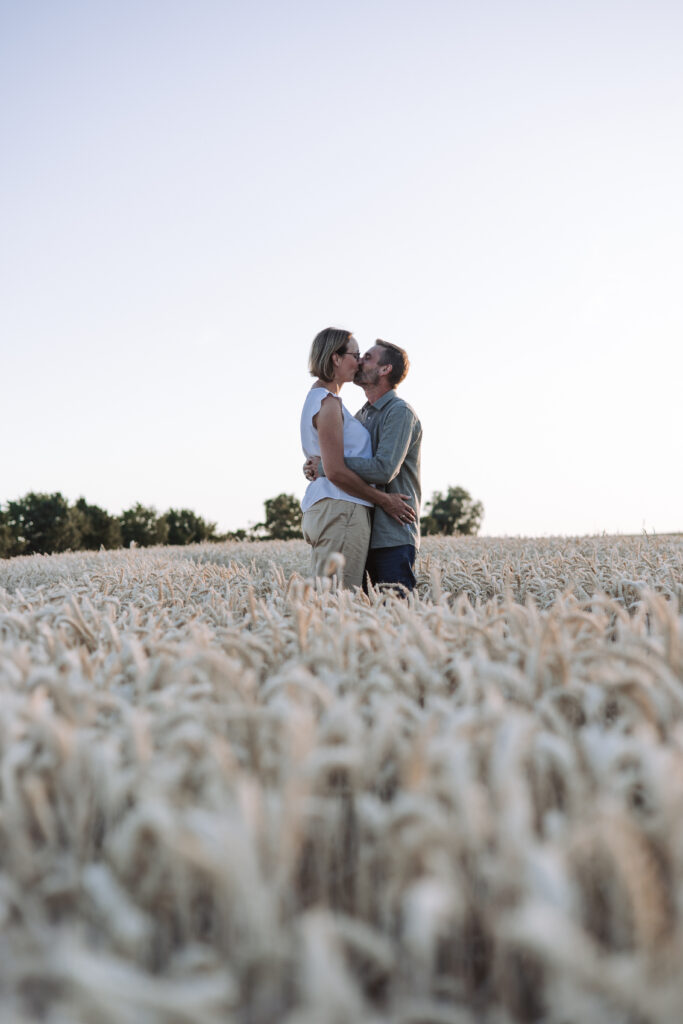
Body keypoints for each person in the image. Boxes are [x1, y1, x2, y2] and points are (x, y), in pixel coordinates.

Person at [300, 328, 416, 590]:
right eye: (356, 355)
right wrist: (383, 500)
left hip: (354, 516)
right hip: (343, 510)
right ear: (336, 358)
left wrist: (322, 467)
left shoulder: (392, 412)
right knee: (340, 598)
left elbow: (340, 466)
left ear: (385, 369)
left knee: (337, 598)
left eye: (365, 356)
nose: (360, 361)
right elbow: (334, 468)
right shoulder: (332, 404)